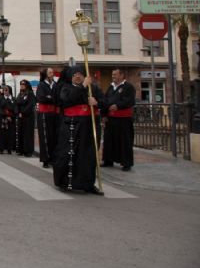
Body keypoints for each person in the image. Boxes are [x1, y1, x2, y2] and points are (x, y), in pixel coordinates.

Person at [53, 66, 104, 195]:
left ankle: (88, 184)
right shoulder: (66, 88)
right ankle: (65, 182)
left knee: (89, 156)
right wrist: (83, 87)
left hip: (89, 128)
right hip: (72, 127)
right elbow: (68, 100)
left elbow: (106, 103)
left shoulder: (94, 89)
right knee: (69, 154)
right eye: (75, 74)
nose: (77, 76)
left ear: (85, 76)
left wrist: (97, 102)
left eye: (80, 74)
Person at [102, 69, 136, 171]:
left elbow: (129, 101)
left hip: (123, 119)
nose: (113, 76)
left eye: (115, 74)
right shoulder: (111, 87)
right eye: (112, 74)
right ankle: (108, 160)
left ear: (121, 75)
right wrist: (103, 114)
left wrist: (118, 105)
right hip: (111, 119)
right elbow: (105, 100)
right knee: (109, 140)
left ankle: (126, 163)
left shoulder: (128, 87)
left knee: (124, 141)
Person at [37, 68, 58, 168]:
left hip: (54, 114)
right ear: (45, 74)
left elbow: (58, 98)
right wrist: (49, 98)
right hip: (44, 114)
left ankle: (53, 158)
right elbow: (41, 98)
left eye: (52, 72)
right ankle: (45, 159)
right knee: (45, 136)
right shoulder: (41, 85)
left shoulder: (55, 84)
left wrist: (50, 97)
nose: (52, 74)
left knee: (54, 136)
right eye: (50, 72)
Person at [15, 79, 36, 157]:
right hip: (20, 117)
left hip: (28, 117)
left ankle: (28, 151)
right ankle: (21, 150)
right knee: (20, 134)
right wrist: (18, 112)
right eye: (21, 85)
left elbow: (31, 105)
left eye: (23, 85)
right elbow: (16, 104)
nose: (22, 86)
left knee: (28, 135)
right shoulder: (20, 94)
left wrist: (23, 113)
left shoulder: (30, 94)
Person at [0, 85, 15, 155]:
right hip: (2, 119)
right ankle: (1, 149)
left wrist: (11, 116)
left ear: (10, 91)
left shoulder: (13, 99)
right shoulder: (0, 99)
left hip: (10, 119)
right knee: (1, 134)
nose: (5, 91)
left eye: (6, 90)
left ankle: (9, 149)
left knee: (10, 134)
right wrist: (6, 115)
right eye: (4, 90)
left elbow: (15, 109)